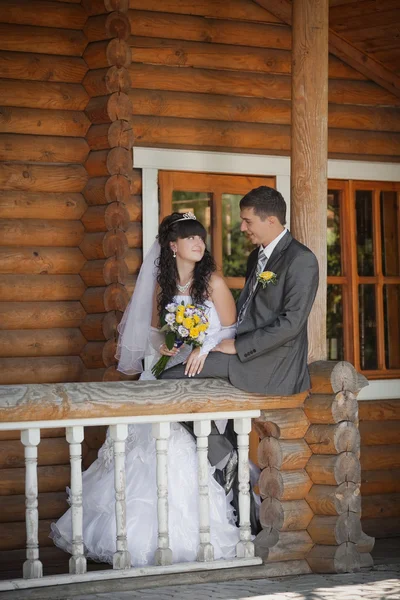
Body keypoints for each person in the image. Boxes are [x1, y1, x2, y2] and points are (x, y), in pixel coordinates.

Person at [51, 212, 242, 567]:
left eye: (201, 238)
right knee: (145, 453)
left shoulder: (212, 282)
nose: (199, 243)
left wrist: (202, 346)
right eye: (190, 238)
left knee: (187, 451)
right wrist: (165, 345)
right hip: (164, 375)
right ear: (172, 246)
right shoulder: (161, 286)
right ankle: (137, 541)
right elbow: (154, 333)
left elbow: (232, 330)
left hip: (203, 376)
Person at [161, 186, 319, 397]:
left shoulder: (300, 259)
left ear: (271, 220)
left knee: (169, 379)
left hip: (270, 363)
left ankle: (217, 433)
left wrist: (239, 345)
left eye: (248, 221)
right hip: (241, 352)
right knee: (175, 377)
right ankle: (219, 432)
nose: (243, 227)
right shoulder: (255, 257)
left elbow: (292, 323)